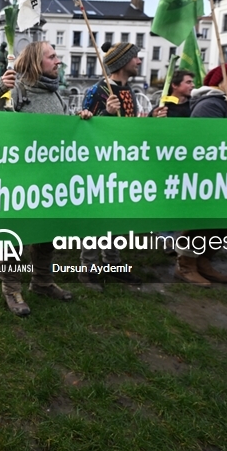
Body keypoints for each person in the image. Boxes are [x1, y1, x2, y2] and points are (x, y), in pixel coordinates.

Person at [0, 41, 94, 315]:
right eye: (52, 56)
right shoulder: (17, 89)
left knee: (47, 233)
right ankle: (11, 289)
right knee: (14, 236)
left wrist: (79, 119)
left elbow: (64, 131)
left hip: (50, 179)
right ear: (36, 62)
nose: (59, 61)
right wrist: (0, 90)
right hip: (20, 178)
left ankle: (42, 281)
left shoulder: (56, 94)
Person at [78, 42, 156, 290]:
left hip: (123, 165)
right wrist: (106, 114)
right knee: (95, 220)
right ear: (123, 62)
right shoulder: (97, 90)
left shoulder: (130, 91)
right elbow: (84, 129)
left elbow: (129, 128)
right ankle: (86, 269)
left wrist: (152, 120)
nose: (139, 61)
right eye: (136, 58)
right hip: (99, 167)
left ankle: (113, 265)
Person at [169, 64, 227, 286]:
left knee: (222, 220)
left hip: (224, 173)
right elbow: (203, 141)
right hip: (209, 174)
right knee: (203, 221)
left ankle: (203, 261)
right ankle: (185, 264)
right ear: (218, 80)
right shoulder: (211, 104)